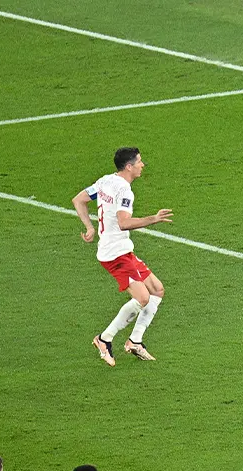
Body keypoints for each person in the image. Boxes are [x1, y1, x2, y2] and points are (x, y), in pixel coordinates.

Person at [70, 146, 173, 366]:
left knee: (157, 290)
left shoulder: (105, 181)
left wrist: (89, 227)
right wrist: (153, 219)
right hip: (115, 254)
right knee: (143, 298)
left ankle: (135, 341)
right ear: (129, 167)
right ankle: (104, 339)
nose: (142, 165)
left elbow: (78, 200)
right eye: (139, 162)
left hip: (120, 250)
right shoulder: (124, 190)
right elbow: (124, 222)